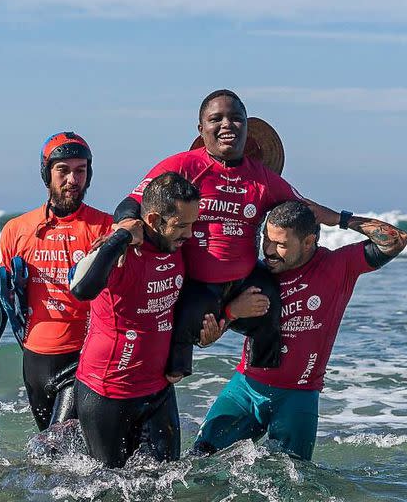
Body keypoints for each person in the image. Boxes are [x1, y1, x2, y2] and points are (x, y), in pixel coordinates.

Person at [114, 89, 346, 378]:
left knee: (274, 305)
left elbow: (307, 209)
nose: (227, 125)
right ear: (202, 129)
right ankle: (166, 385)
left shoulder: (262, 177)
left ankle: (262, 382)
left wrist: (348, 221)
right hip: (199, 283)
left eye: (236, 119)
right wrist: (124, 226)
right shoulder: (183, 166)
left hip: (247, 279)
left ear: (247, 128)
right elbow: (134, 201)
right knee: (183, 333)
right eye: (216, 119)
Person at [193, 200, 407, 460]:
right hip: (246, 387)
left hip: (298, 395)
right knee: (199, 460)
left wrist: (339, 219)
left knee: (291, 477)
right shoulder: (253, 271)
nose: (269, 251)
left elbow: (396, 239)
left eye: (281, 245)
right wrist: (232, 312)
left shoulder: (337, 267)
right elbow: (205, 338)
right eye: (266, 240)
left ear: (308, 243)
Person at [0, 132, 113, 431]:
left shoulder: (105, 228)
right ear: (47, 174)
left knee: (55, 449)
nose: (73, 179)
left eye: (80, 170)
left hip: (84, 359)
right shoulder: (17, 230)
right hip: (35, 362)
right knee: (56, 452)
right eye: (63, 170)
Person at [70, 172, 201, 468]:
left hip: (158, 390)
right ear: (153, 220)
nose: (190, 234)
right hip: (108, 391)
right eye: (182, 225)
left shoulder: (175, 245)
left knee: (166, 482)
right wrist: (121, 236)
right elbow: (81, 288)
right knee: (108, 487)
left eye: (193, 224)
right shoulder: (122, 253)